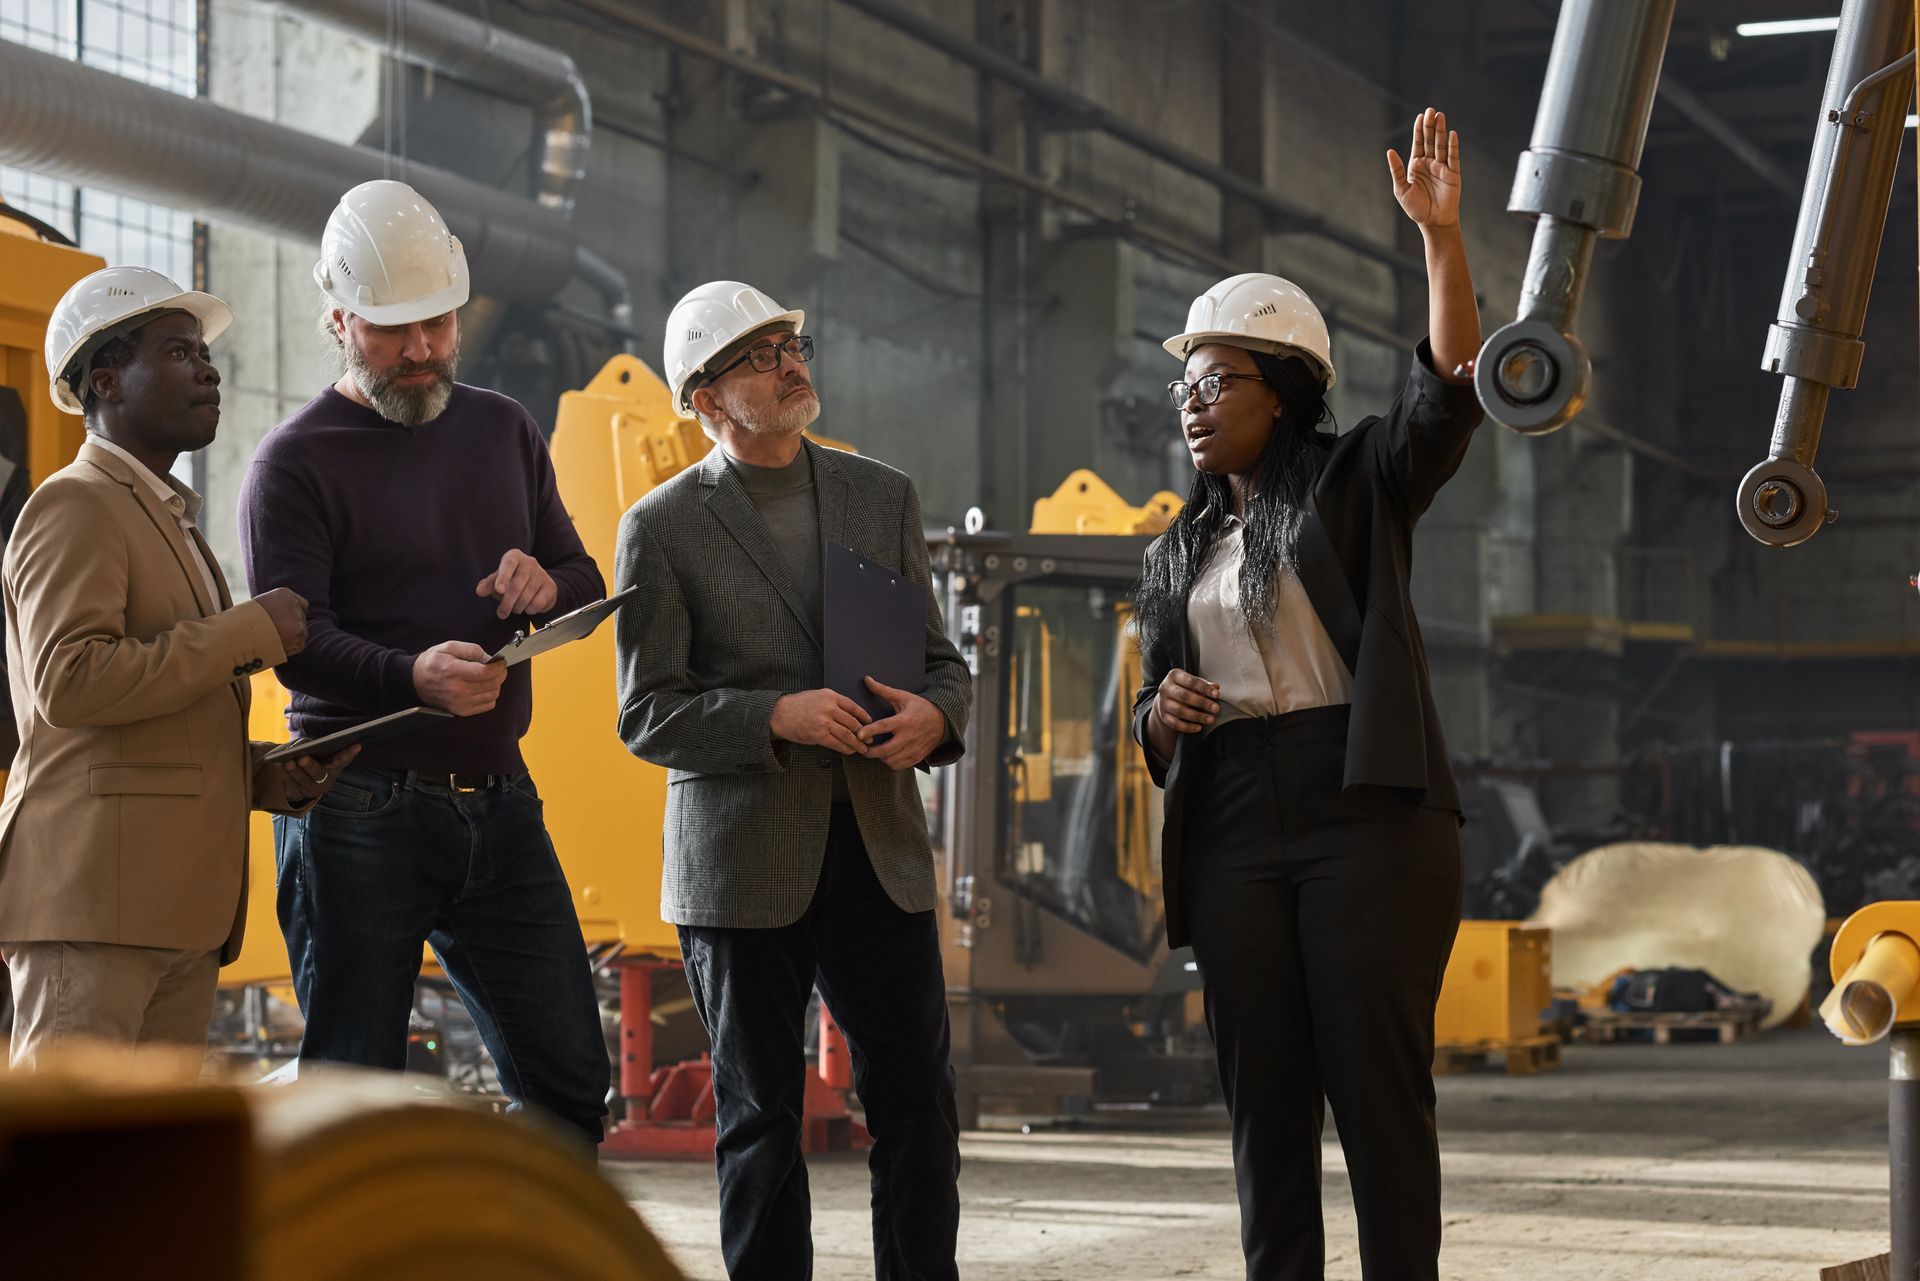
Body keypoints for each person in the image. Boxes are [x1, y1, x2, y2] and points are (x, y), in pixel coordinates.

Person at [1130, 108, 1483, 1280]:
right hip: (1230, 816)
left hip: (1361, 813)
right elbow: (1148, 715)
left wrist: (1441, 240)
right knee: (1263, 1104)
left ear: (1280, 391)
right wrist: (1162, 714)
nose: (1191, 402)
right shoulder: (1171, 554)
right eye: (1183, 384)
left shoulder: (1353, 481)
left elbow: (1446, 397)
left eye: (1216, 379)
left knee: (1376, 1097)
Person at [237, 180, 609, 1147]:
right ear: (338, 318)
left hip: (499, 795)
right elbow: (293, 643)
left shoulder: (503, 428)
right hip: (357, 806)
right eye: (393, 330)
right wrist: (411, 677)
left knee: (570, 1078)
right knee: (350, 1100)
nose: (423, 351)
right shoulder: (294, 463)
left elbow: (583, 574)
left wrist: (548, 584)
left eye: (439, 324)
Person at [615, 280, 973, 1279]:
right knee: (760, 1116)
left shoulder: (881, 495)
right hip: (741, 860)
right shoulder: (662, 526)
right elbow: (648, 713)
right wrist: (775, 715)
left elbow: (941, 664)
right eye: (760, 354)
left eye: (792, 343)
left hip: (876, 845)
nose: (790, 363)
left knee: (918, 1102)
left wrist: (937, 715)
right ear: (706, 399)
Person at [0, 267, 350, 1068]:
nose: (209, 368)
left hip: (168, 913)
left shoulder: (165, 519)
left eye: (203, 352)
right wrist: (248, 631)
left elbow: (154, 712)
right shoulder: (74, 504)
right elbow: (71, 681)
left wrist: (265, 775)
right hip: (93, 908)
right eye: (179, 351)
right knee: (62, 1171)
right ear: (106, 380)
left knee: (139, 1180)